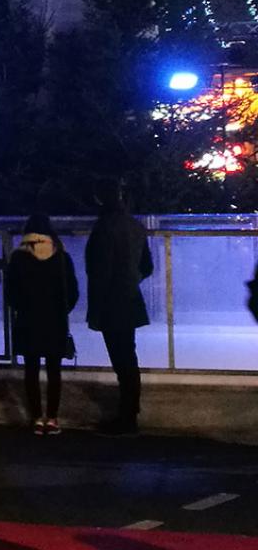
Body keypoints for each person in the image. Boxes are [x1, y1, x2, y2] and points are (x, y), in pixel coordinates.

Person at [85, 177, 153, 436]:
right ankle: (129, 413)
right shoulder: (135, 226)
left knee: (121, 361)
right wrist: (132, 280)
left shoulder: (103, 228)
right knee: (128, 359)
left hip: (111, 304)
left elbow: (98, 272)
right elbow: (147, 266)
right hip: (130, 301)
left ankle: (126, 418)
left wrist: (96, 310)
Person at [5, 213, 79, 435]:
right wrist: (60, 311)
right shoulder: (61, 256)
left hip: (28, 320)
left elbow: (11, 294)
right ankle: (53, 418)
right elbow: (72, 293)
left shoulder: (18, 257)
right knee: (54, 370)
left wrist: (22, 307)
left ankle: (36, 417)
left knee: (31, 369)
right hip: (55, 320)